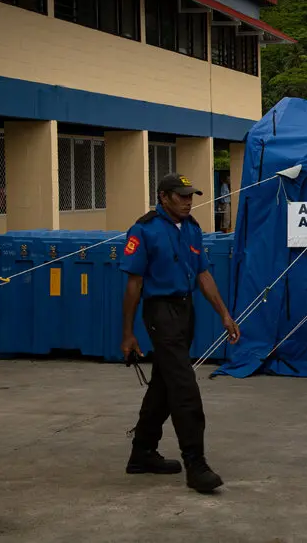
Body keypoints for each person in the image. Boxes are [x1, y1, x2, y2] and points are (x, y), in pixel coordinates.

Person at [119, 172, 241, 493]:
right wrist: (128, 333)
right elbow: (134, 284)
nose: (189, 202)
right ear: (163, 197)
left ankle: (142, 452)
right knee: (184, 386)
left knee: (164, 383)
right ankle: (196, 464)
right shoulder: (144, 230)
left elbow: (203, 275)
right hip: (160, 311)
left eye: (191, 196)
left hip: (186, 310)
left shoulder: (192, 228)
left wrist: (224, 314)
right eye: (182, 196)